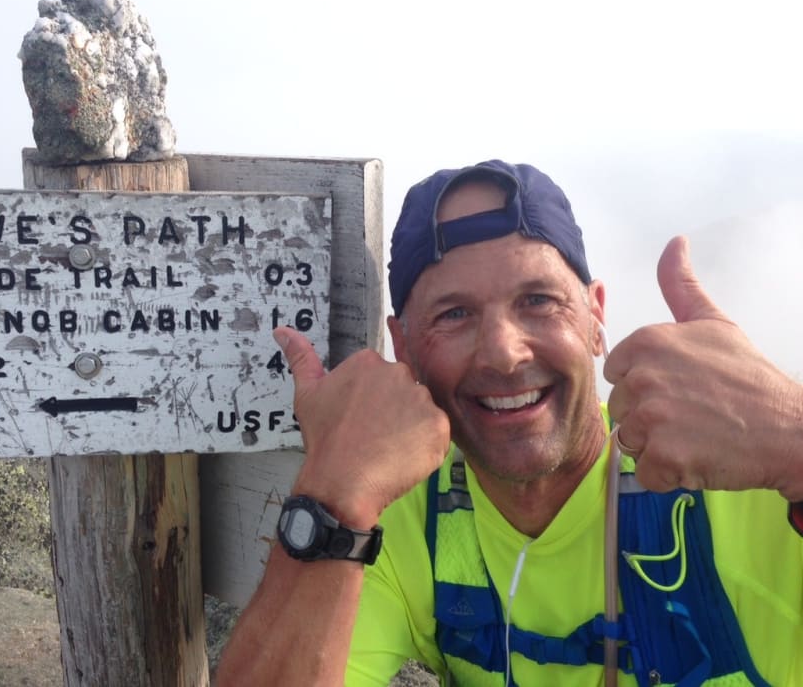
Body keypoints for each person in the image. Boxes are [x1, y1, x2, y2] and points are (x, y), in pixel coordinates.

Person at [214, 159, 803, 686]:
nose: (502, 352)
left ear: (597, 317)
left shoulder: (747, 488)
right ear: (405, 348)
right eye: (455, 313)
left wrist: (793, 434)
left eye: (539, 301)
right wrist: (333, 492)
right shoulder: (392, 524)